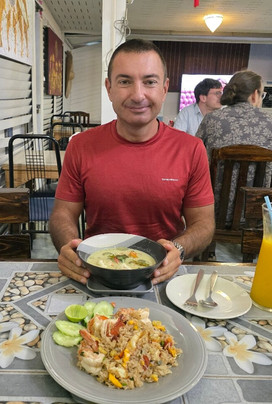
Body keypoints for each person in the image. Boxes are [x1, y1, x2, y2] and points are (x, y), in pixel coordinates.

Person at [49, 39, 215, 286]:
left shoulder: (191, 149)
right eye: (125, 81)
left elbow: (204, 224)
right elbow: (62, 214)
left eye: (150, 82)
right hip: (96, 274)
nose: (138, 95)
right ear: (109, 88)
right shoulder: (81, 145)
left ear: (164, 88)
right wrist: (70, 248)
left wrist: (178, 249)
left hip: (164, 278)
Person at [195, 70, 272, 222]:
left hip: (215, 210)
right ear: (254, 95)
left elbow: (195, 158)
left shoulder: (212, 119)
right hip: (256, 212)